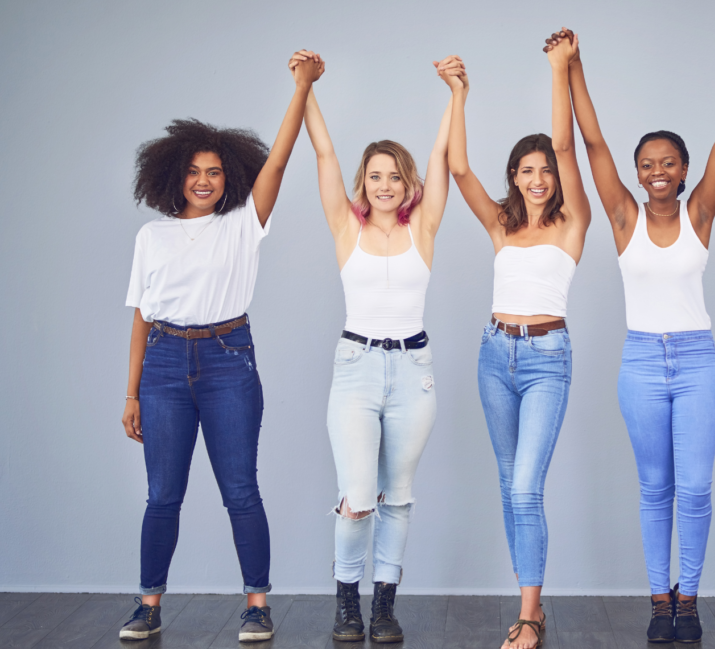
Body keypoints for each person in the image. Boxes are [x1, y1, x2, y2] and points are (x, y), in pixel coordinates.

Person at [542, 28, 715, 644]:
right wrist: (574, 68)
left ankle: (690, 599)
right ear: (637, 173)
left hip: (696, 361)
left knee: (695, 487)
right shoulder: (622, 217)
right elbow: (591, 141)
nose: (657, 171)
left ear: (684, 171)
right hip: (640, 361)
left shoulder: (701, 215)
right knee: (655, 488)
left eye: (668, 163)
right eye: (648, 164)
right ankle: (659, 601)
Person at [118, 52, 323, 642]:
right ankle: (148, 604)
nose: (204, 180)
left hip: (228, 360)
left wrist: (302, 88)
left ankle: (257, 606)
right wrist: (130, 393)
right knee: (162, 496)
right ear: (173, 177)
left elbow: (279, 162)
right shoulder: (151, 236)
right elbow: (139, 319)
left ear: (229, 176)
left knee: (240, 489)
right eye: (193, 172)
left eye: (214, 171)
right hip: (161, 365)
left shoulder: (242, 224)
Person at [293, 50, 462, 644]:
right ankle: (346, 601)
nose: (385, 185)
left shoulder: (425, 228)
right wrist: (305, 87)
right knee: (359, 495)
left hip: (414, 370)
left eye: (395, 176)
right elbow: (324, 153)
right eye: (375, 176)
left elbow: (443, 156)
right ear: (363, 183)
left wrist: (455, 95)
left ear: (407, 182)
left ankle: (384, 604)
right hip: (357, 368)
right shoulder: (347, 227)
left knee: (400, 498)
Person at [447, 34, 591, 649]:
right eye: (526, 171)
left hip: (545, 360)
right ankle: (526, 597)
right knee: (511, 485)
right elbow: (457, 170)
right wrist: (459, 95)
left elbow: (565, 141)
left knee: (527, 487)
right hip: (492, 354)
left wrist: (559, 69)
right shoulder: (501, 224)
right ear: (514, 176)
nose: (538, 178)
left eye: (546, 171)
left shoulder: (573, 222)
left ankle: (530, 616)